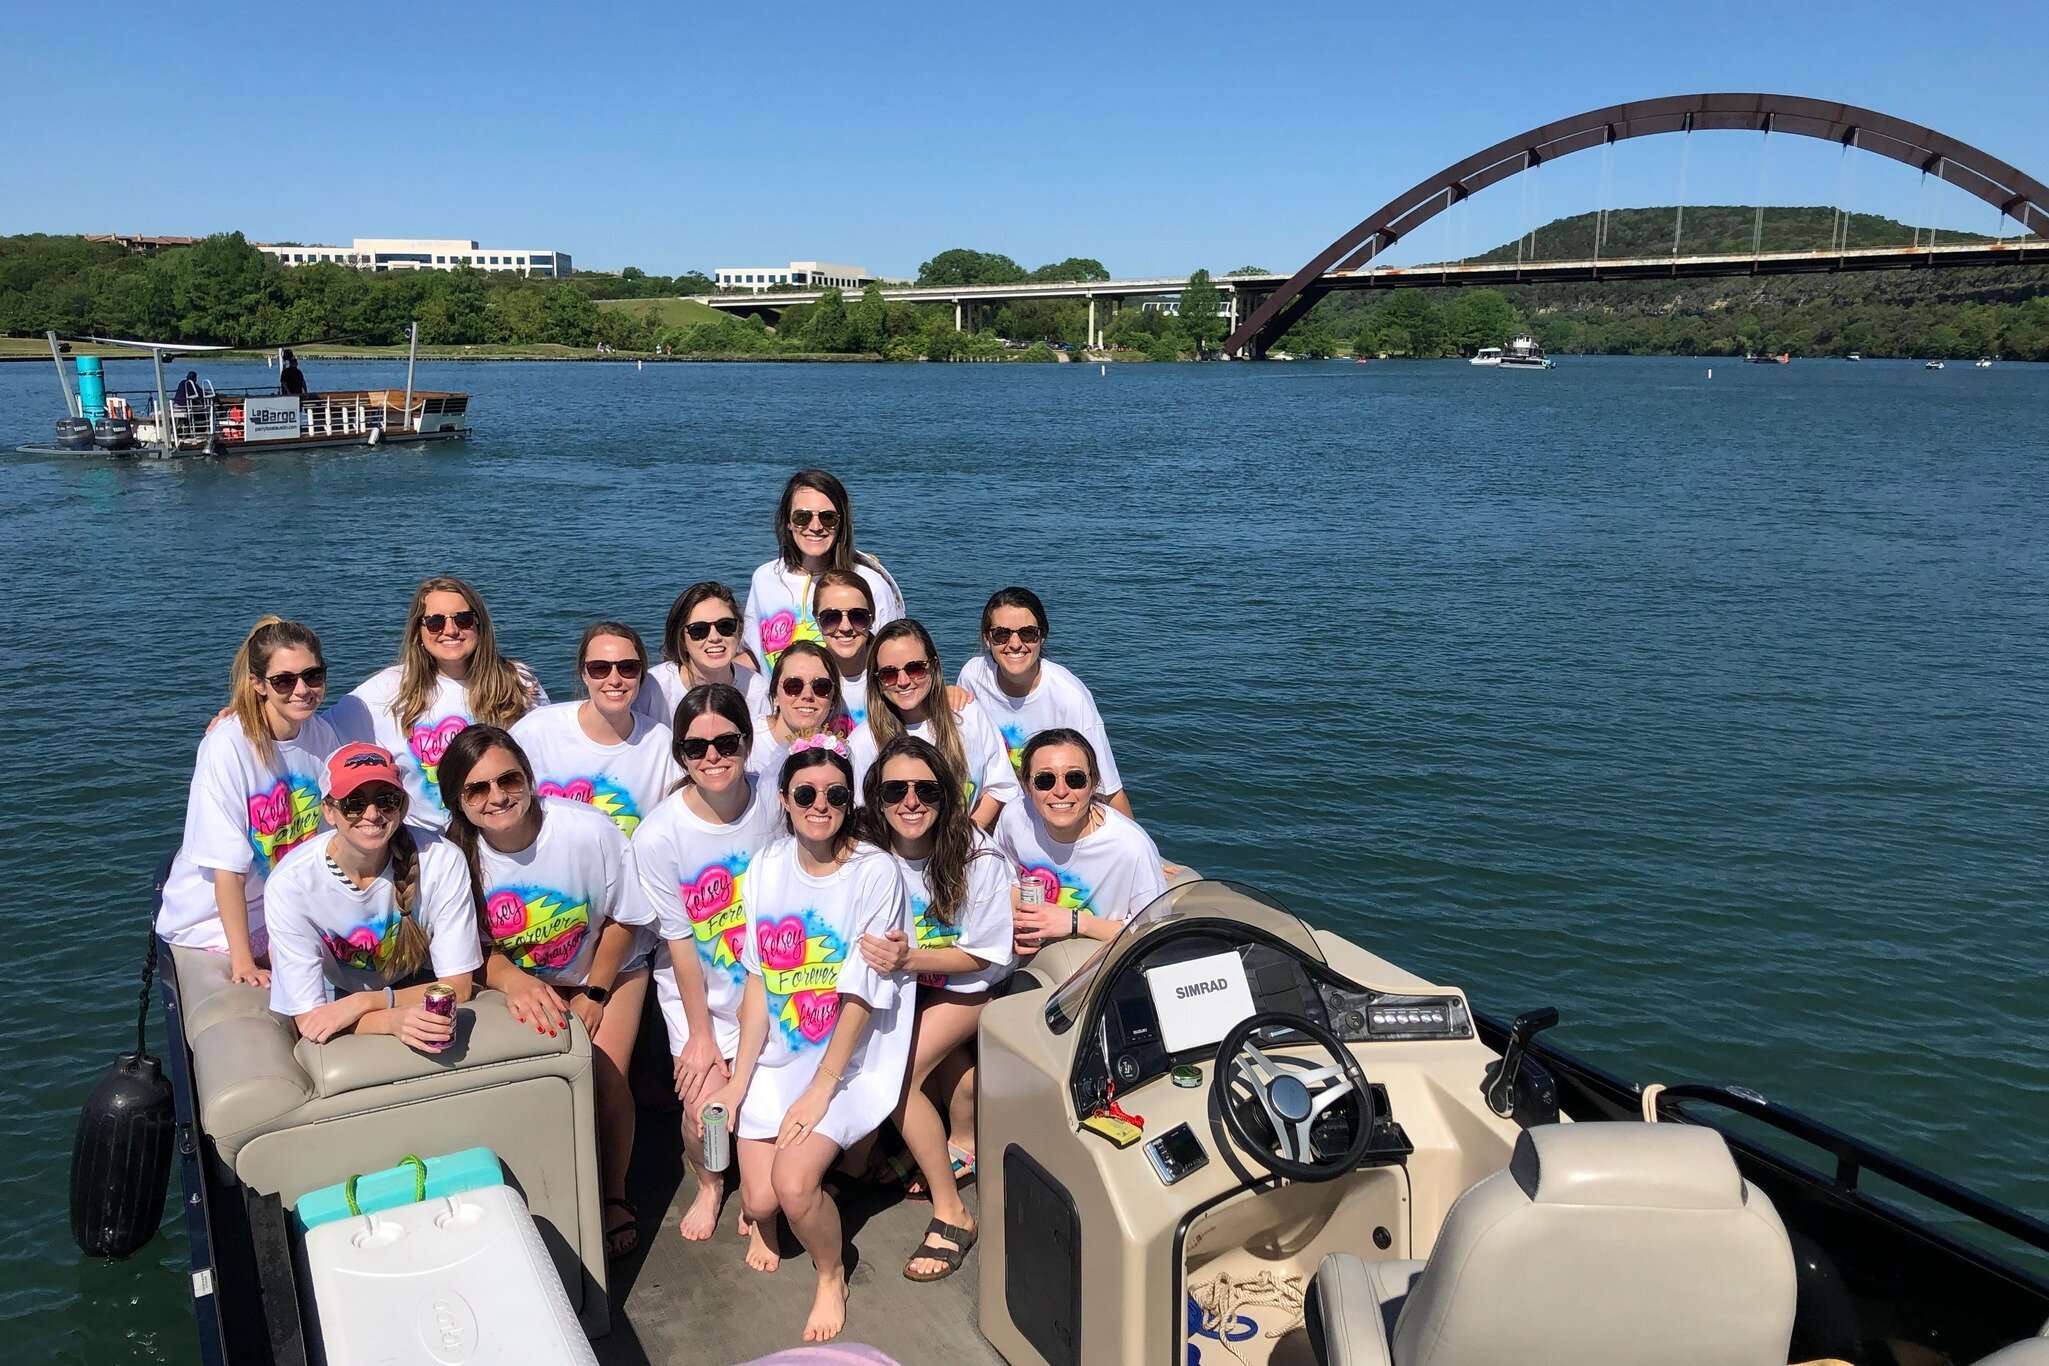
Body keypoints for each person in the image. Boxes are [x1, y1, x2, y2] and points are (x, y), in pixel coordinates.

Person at [702, 736, 913, 1343]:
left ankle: (831, 1272)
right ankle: (765, 1215)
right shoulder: (767, 867)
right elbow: (759, 982)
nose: (821, 805)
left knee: (794, 1189)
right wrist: (739, 1081)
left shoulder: (875, 873)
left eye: (836, 795)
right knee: (759, 1204)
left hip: (845, 1061)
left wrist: (821, 1089)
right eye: (806, 794)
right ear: (783, 799)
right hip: (777, 1057)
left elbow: (861, 995)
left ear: (850, 802)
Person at [438, 725, 654, 1258]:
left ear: (529, 778)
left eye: (508, 780)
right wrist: (515, 981)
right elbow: (468, 951)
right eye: (477, 788)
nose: (497, 797)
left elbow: (626, 918)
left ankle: (613, 1192)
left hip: (609, 967)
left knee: (602, 1072)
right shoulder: (454, 858)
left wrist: (595, 992)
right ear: (457, 801)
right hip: (520, 977)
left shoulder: (587, 830)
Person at [856, 737, 1013, 1281]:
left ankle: (952, 1212)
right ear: (876, 798)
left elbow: (984, 954)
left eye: (926, 790)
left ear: (946, 796)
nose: (911, 801)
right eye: (894, 790)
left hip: (966, 983)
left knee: (896, 1074)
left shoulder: (977, 856)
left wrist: (909, 958)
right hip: (905, 982)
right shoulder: (866, 848)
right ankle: (932, 1142)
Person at [632, 683, 783, 1242]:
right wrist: (699, 1034)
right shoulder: (658, 836)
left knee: (767, 1112)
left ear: (748, 743)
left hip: (772, 986)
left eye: (727, 742)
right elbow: (678, 941)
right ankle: (710, 1183)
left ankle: (760, 1182)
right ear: (680, 754)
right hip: (700, 996)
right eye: (696, 747)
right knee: (705, 1115)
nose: (713, 756)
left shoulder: (775, 799)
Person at [158, 618, 342, 988]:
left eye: (313, 676)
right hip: (214, 917)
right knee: (318, 974)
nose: (302, 690)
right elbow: (227, 868)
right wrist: (243, 962)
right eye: (284, 681)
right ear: (258, 684)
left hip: (282, 901)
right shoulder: (228, 746)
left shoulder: (321, 734)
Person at [265, 743, 481, 1051]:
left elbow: (457, 985)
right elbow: (311, 1018)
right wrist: (390, 1021)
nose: (372, 814)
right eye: (353, 803)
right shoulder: (290, 884)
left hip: (414, 983)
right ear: (329, 811)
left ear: (402, 806)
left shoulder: (443, 860)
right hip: (336, 992)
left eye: (386, 800)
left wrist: (368, 1002)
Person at [325, 576, 546, 831]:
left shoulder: (518, 681)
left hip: (505, 836)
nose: (450, 630)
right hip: (426, 844)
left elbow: (547, 756)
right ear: (418, 631)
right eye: (435, 622)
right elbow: (317, 735)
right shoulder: (384, 691)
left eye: (463, 619)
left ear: (479, 623)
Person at [958, 586, 1135, 818]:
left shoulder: (1070, 697)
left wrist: (1135, 838)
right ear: (986, 638)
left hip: (1049, 816)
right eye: (1001, 634)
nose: (1015, 644)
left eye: (1027, 633)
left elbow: (1108, 789)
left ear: (1042, 636)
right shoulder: (973, 676)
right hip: (993, 811)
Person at [994, 728, 1167, 957]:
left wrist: (1076, 923)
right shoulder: (1014, 818)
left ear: (1094, 783)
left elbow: (1154, 932)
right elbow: (1010, 881)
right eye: (1045, 780)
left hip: (1094, 961)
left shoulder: (1130, 847)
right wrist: (1022, 925)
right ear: (1027, 786)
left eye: (1075, 779)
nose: (1061, 791)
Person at [511, 622, 679, 838]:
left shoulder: (661, 743)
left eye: (628, 667)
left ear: (641, 674)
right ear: (584, 673)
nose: (615, 680)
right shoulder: (535, 731)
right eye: (600, 668)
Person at [854, 619, 1018, 830]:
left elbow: (1001, 786)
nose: (903, 681)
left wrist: (966, 835)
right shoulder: (864, 742)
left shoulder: (968, 715)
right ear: (876, 680)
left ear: (934, 665)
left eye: (915, 668)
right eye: (889, 674)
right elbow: (862, 816)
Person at [742, 469, 903, 673]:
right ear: (788, 522)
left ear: (841, 523)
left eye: (828, 517)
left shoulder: (871, 583)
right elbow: (755, 655)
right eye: (802, 517)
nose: (816, 526)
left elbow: (895, 662)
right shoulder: (764, 579)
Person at [638, 581, 770, 729]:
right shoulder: (652, 687)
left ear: (739, 631)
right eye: (698, 630)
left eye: (726, 626)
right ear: (681, 640)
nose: (715, 637)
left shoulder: (758, 691)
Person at [749, 640, 849, 784]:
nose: (807, 695)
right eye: (793, 685)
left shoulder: (840, 754)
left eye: (821, 686)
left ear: (833, 700)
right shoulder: (746, 740)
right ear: (775, 696)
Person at [813, 570, 878, 727]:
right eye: (831, 617)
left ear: (872, 619)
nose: (845, 627)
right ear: (817, 620)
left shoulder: (893, 676)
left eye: (858, 616)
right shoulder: (802, 682)